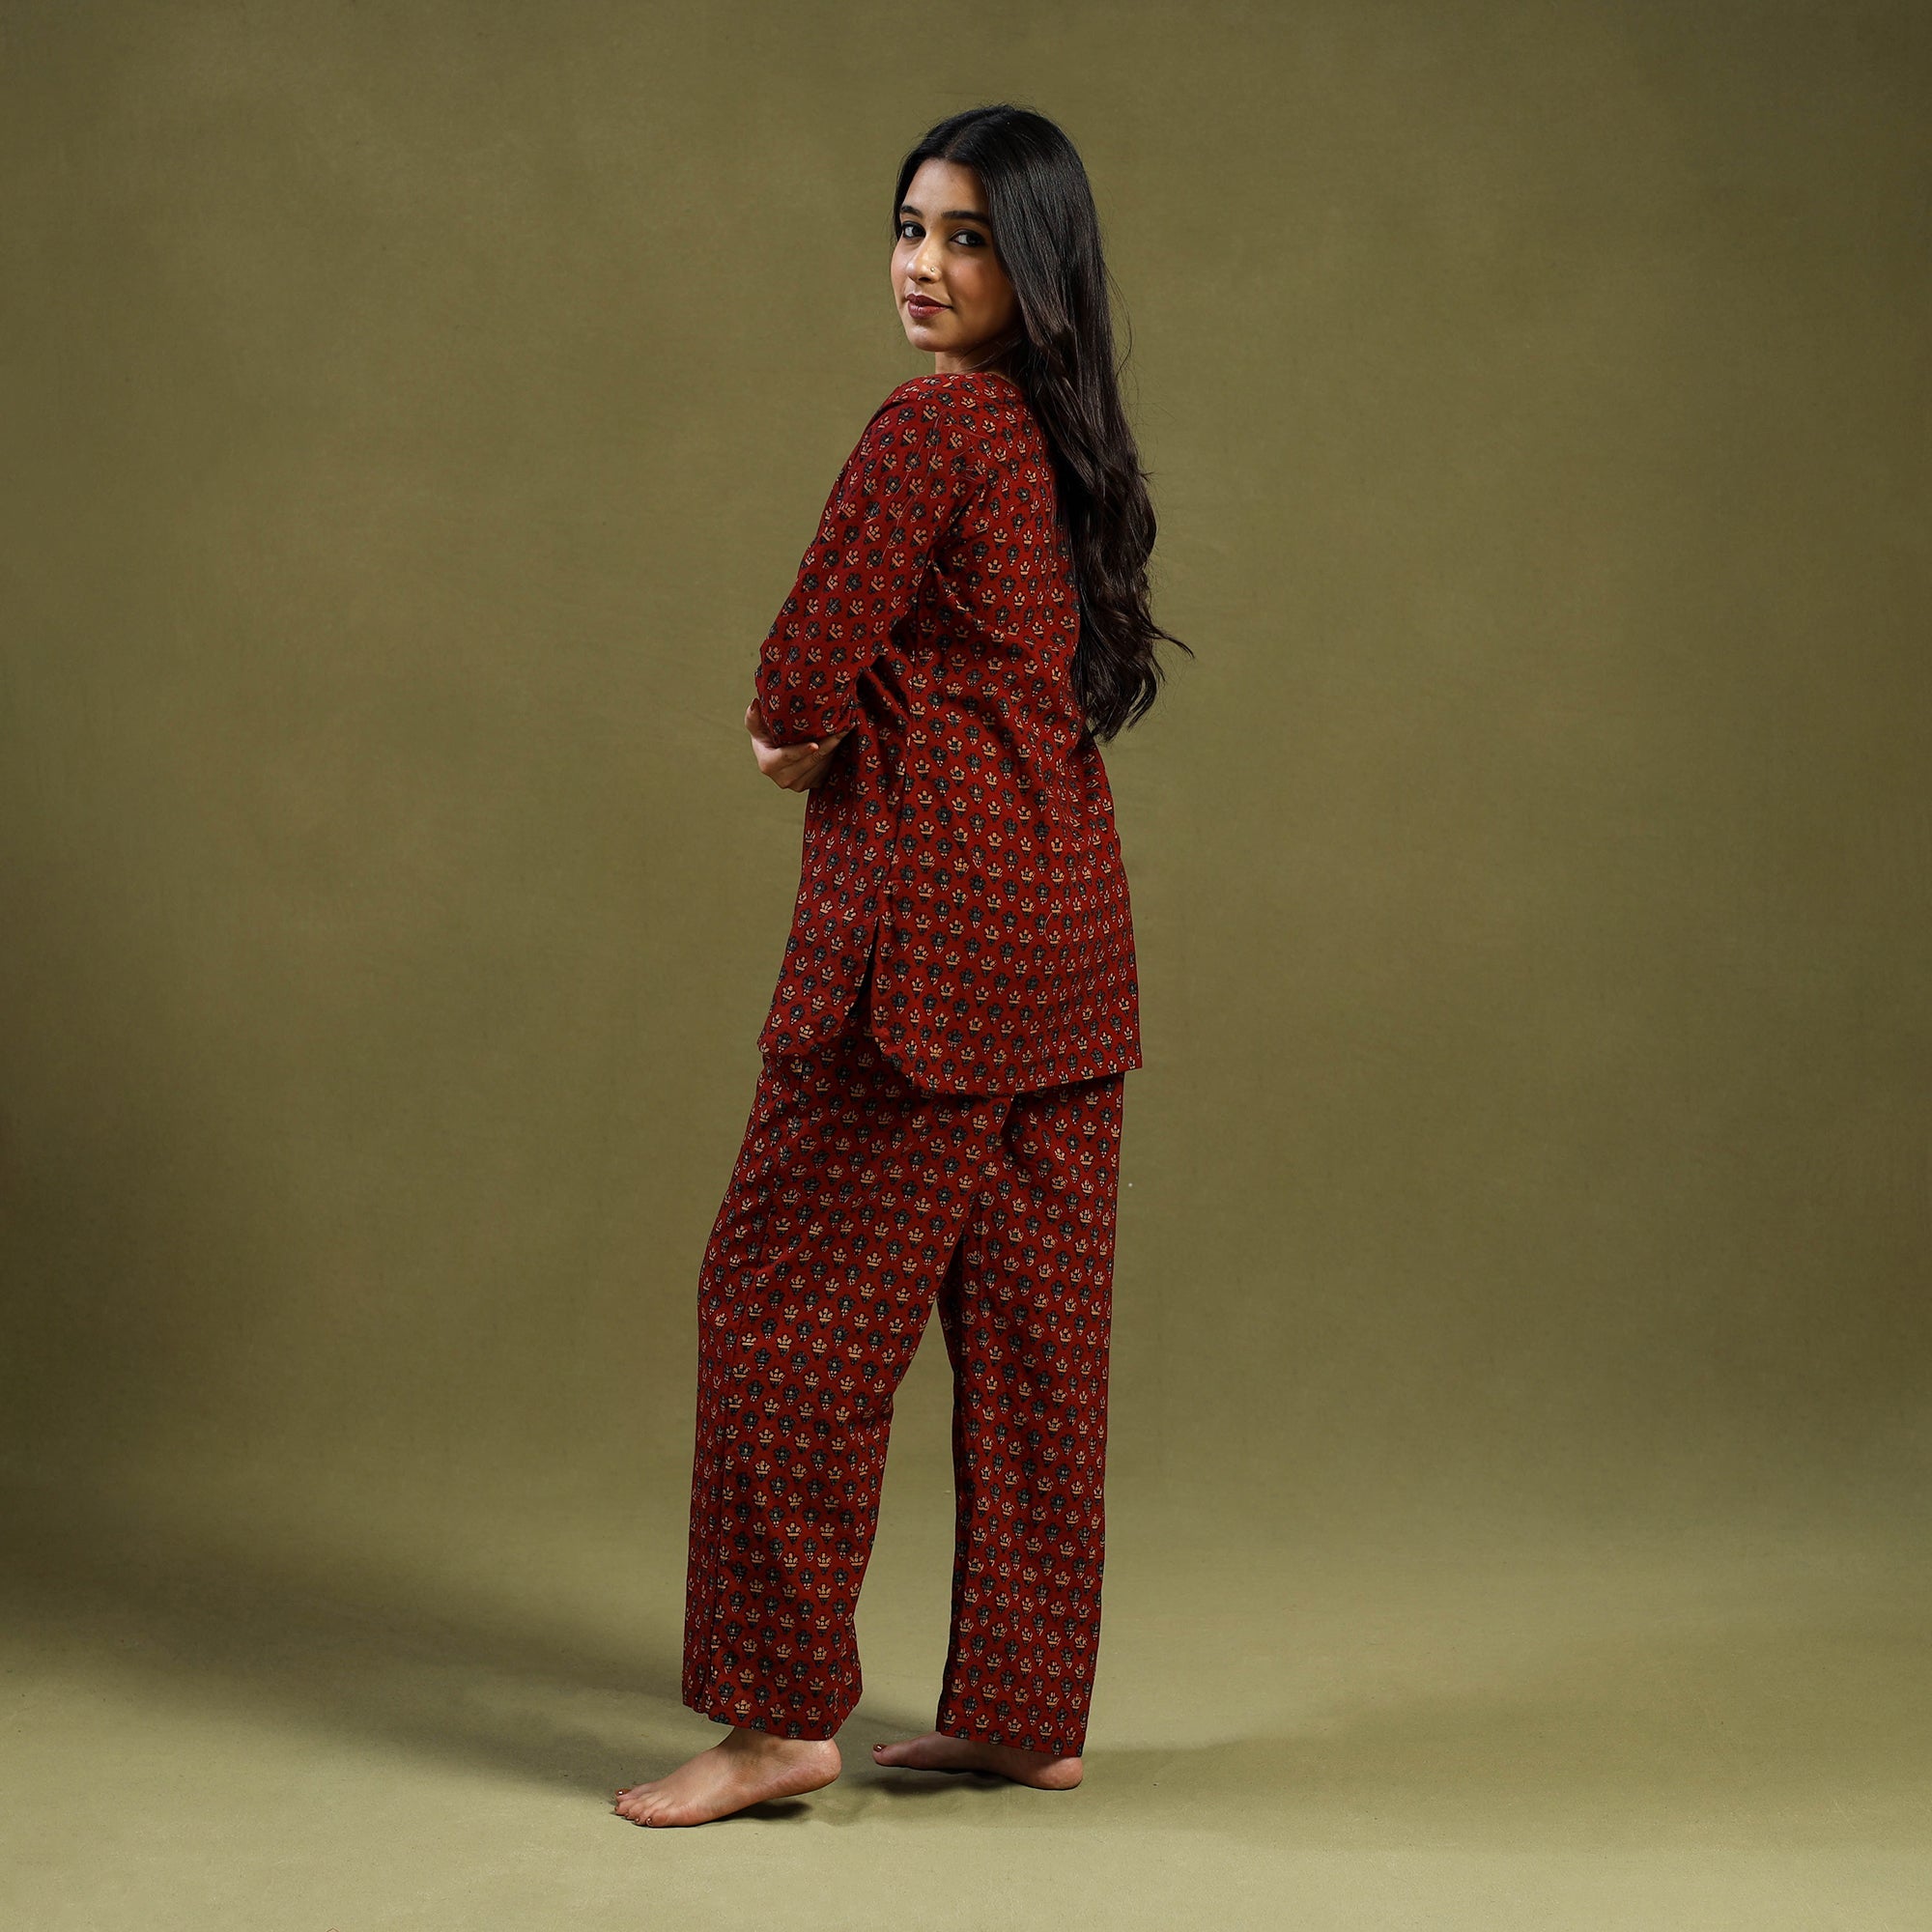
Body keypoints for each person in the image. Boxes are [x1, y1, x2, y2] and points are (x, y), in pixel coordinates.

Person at [616, 101, 1188, 1829]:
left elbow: (798, 669)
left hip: (926, 956)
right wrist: (878, 710)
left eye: (968, 238)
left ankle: (779, 1720)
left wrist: (802, 736)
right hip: (1068, 946)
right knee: (1033, 1351)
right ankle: (1024, 1714)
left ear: (1038, 266)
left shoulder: (932, 428)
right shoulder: (1069, 446)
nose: (923, 267)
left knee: (778, 1317)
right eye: (911, 227)